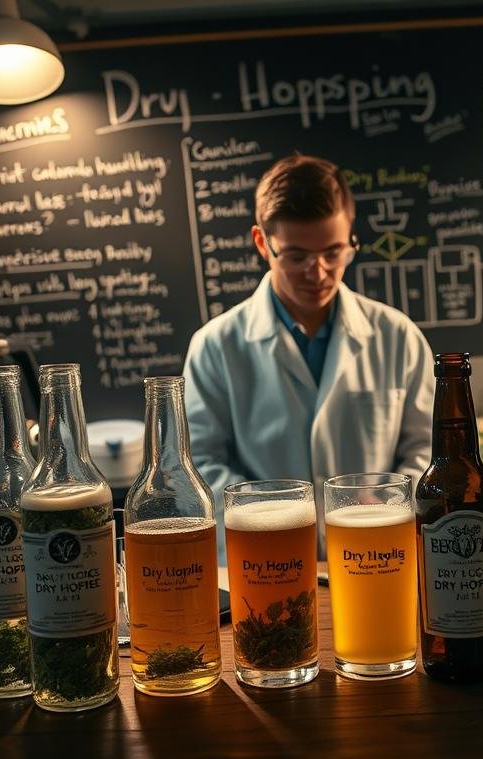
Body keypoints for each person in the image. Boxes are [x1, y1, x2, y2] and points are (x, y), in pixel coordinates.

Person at [183, 153, 434, 561]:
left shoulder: (398, 337)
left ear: (351, 238)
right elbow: (200, 466)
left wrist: (381, 506)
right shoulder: (215, 346)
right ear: (262, 243)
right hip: (266, 560)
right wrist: (279, 515)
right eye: (296, 256)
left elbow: (425, 452)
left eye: (334, 253)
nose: (317, 273)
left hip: (378, 555)